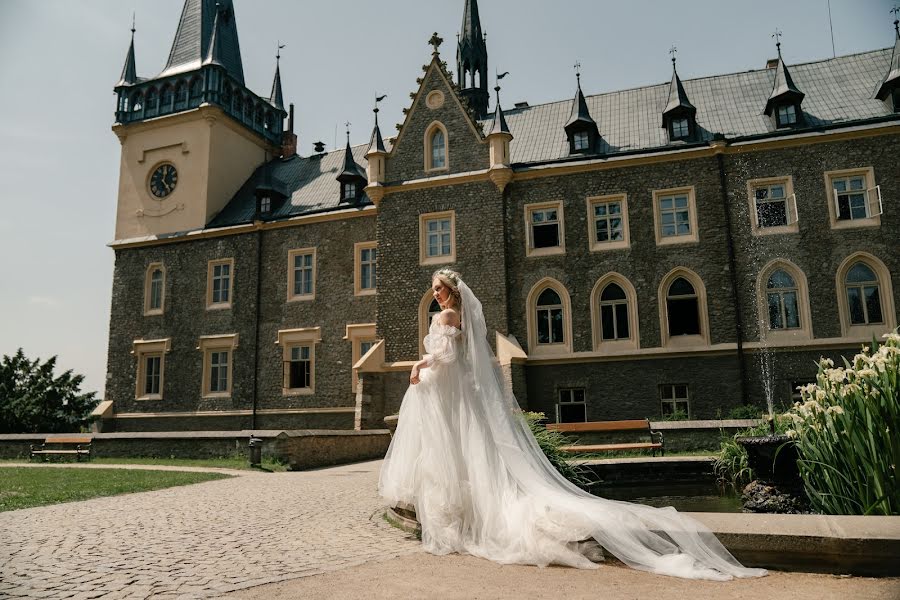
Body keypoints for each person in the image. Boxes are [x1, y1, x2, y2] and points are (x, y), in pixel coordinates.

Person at [379, 268, 767, 580]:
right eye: (433, 290)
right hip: (454, 393)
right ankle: (462, 518)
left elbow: (445, 358)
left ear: (452, 292)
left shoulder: (448, 316)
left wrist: (418, 363)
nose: (435, 294)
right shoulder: (456, 316)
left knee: (453, 453)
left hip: (448, 389)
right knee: (459, 454)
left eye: (439, 289)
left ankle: (459, 522)